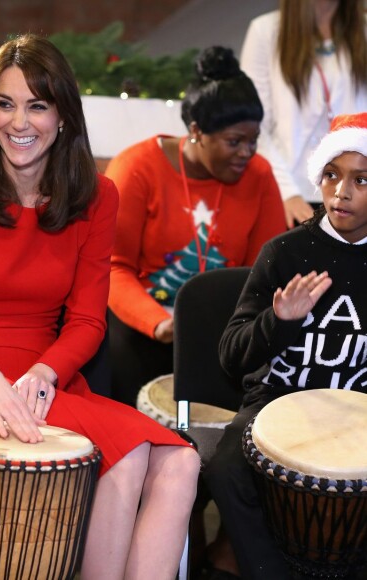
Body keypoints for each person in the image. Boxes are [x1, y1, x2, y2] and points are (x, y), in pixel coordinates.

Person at [0, 34, 200, 579]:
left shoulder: (97, 196)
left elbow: (87, 321)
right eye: (6, 103)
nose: (21, 121)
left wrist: (45, 371)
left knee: (181, 462)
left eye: (38, 104)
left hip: (44, 381)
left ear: (63, 115)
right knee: (129, 457)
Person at [202, 112, 367, 579]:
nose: (342, 191)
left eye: (361, 179)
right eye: (332, 175)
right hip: (276, 402)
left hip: (356, 412)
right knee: (226, 471)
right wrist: (279, 320)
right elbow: (231, 356)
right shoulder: (285, 253)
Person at [105, 46, 286, 409]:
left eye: (253, 141)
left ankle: (199, 453)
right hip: (144, 322)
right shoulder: (137, 168)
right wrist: (159, 323)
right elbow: (112, 267)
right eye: (234, 141)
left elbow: (261, 274)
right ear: (196, 131)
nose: (247, 153)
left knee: (208, 418)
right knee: (151, 408)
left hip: (223, 329)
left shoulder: (260, 176)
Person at [240, 0, 367, 229]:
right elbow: (254, 126)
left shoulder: (363, 29)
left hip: (357, 195)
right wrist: (287, 192)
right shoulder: (266, 32)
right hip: (288, 194)